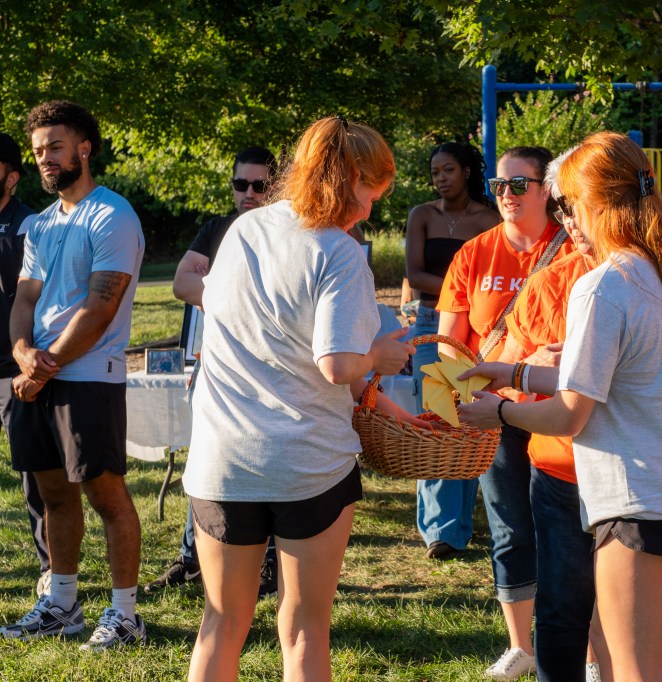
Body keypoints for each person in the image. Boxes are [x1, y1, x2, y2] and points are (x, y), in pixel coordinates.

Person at [459, 131, 662, 682]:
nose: (565, 219)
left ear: (596, 203)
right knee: (649, 665)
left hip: (637, 500)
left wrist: (499, 412)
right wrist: (512, 372)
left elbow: (568, 414)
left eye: (567, 204)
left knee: (632, 670)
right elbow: (612, 381)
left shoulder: (603, 285)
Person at [181, 116, 415, 681]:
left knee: (220, 622)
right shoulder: (339, 251)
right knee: (305, 627)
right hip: (308, 463)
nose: (370, 210)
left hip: (223, 459)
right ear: (350, 178)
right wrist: (380, 356)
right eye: (372, 193)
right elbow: (338, 365)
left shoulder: (245, 229)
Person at [0, 101, 146, 649]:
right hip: (38, 376)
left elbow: (100, 308)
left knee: (107, 497)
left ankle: (126, 615)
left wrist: (42, 368)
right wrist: (22, 351)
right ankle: (62, 605)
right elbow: (24, 298)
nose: (45, 159)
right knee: (53, 496)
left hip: (89, 378)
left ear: (84, 149)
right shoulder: (40, 223)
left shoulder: (113, 215)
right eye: (38, 151)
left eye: (55, 148)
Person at [436, 145, 573, 680]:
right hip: (496, 413)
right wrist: (463, 400)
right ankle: (522, 646)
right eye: (499, 185)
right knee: (510, 527)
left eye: (519, 184)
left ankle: (587, 652)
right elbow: (450, 343)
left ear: (546, 190)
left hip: (563, 414)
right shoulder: (474, 253)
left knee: (570, 533)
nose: (507, 195)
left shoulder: (574, 250)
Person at [146, 146, 278, 595]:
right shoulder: (216, 229)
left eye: (260, 185)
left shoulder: (284, 232)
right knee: (205, 460)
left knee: (267, 460)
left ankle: (269, 560)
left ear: (275, 187)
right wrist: (243, 295)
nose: (249, 193)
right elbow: (182, 283)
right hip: (216, 364)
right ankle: (192, 558)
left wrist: (217, 287)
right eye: (241, 184)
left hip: (272, 370)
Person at [405, 142, 499, 560]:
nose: (440, 178)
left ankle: (459, 525)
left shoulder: (490, 219)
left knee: (470, 423)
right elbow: (414, 275)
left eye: (448, 170)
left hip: (478, 328)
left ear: (467, 172)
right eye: (435, 172)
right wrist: (461, 288)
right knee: (438, 419)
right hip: (432, 323)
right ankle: (440, 531)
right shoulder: (422, 215)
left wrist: (466, 295)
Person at [0, 132, 50, 596]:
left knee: (34, 474)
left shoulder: (28, 224)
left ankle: (52, 568)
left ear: (12, 177)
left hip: (12, 368)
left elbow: (31, 296)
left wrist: (27, 361)